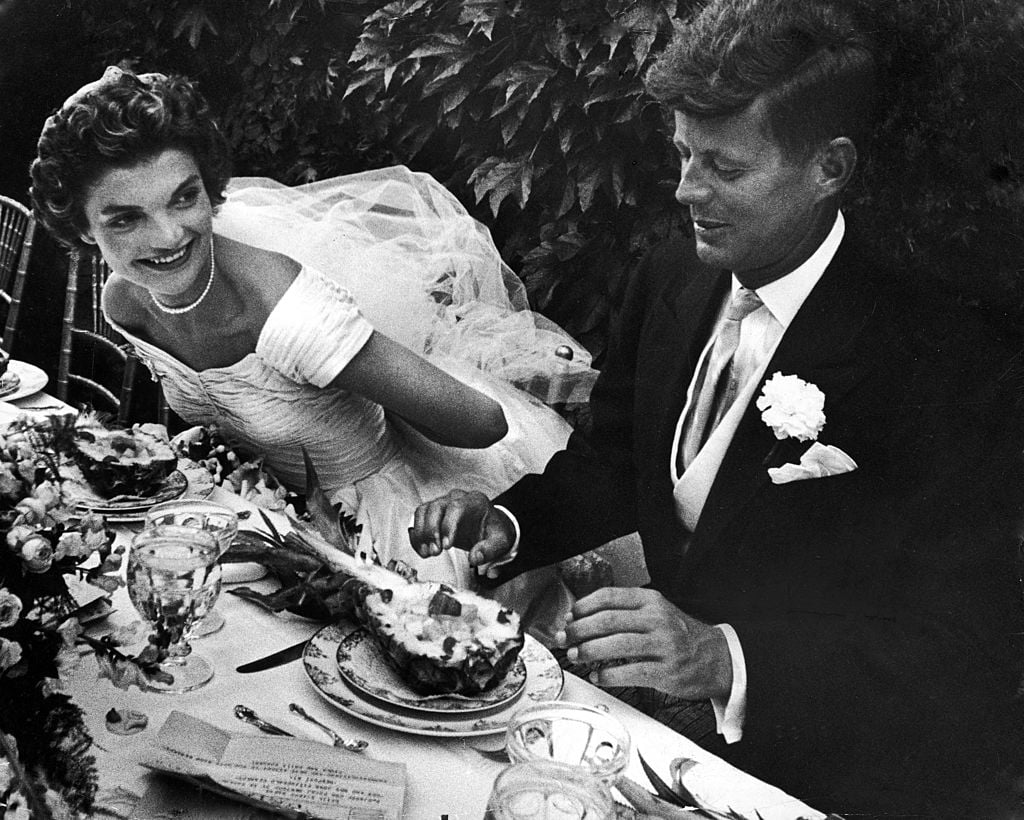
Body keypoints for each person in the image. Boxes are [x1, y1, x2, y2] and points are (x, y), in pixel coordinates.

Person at [410, 0, 1024, 814]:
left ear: (828, 169)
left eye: (725, 168)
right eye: (682, 155)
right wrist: (513, 524)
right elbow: (620, 458)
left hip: (844, 766)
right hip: (674, 742)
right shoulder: (672, 275)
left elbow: (960, 646)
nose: (686, 191)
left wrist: (725, 659)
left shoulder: (942, 362)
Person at [29, 66, 596, 589]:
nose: (169, 236)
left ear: (210, 188)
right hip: (277, 525)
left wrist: (359, 368)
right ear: (81, 227)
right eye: (126, 218)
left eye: (185, 198)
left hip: (394, 534)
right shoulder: (125, 303)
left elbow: (483, 423)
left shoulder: (290, 315)